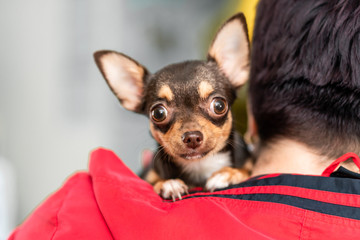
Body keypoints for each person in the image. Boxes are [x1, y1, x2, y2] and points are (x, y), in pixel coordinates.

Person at [9, 0, 360, 239]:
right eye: (162, 114)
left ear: (250, 106)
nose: (191, 132)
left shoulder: (74, 211)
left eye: (215, 106)